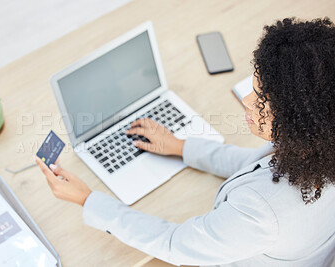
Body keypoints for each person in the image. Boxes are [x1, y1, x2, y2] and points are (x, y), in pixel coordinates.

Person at [35, 18, 335, 266]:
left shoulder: (260, 214)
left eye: (261, 102)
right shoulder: (316, 148)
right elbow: (256, 164)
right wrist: (180, 147)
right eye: (254, 90)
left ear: (301, 121)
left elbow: (173, 243)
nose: (245, 101)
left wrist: (88, 200)